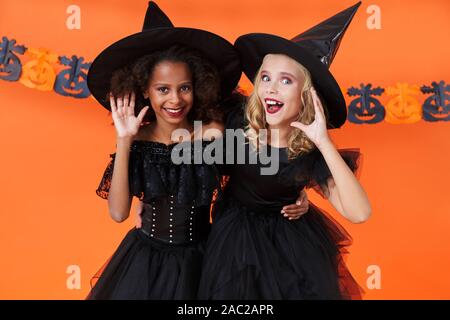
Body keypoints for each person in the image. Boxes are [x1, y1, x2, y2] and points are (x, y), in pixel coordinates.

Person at [86, 1, 307, 300]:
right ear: (144, 91)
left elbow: (259, 172)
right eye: (162, 89)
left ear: (198, 87)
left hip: (208, 260)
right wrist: (124, 140)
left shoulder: (217, 135)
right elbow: (117, 212)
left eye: (185, 87)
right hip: (147, 262)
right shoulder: (137, 142)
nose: (175, 99)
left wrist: (298, 194)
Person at [198, 2, 371, 300]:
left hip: (289, 246)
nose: (271, 88)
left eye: (286, 81)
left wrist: (324, 144)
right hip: (234, 237)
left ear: (307, 96)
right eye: (265, 77)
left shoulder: (308, 152)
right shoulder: (237, 119)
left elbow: (359, 213)